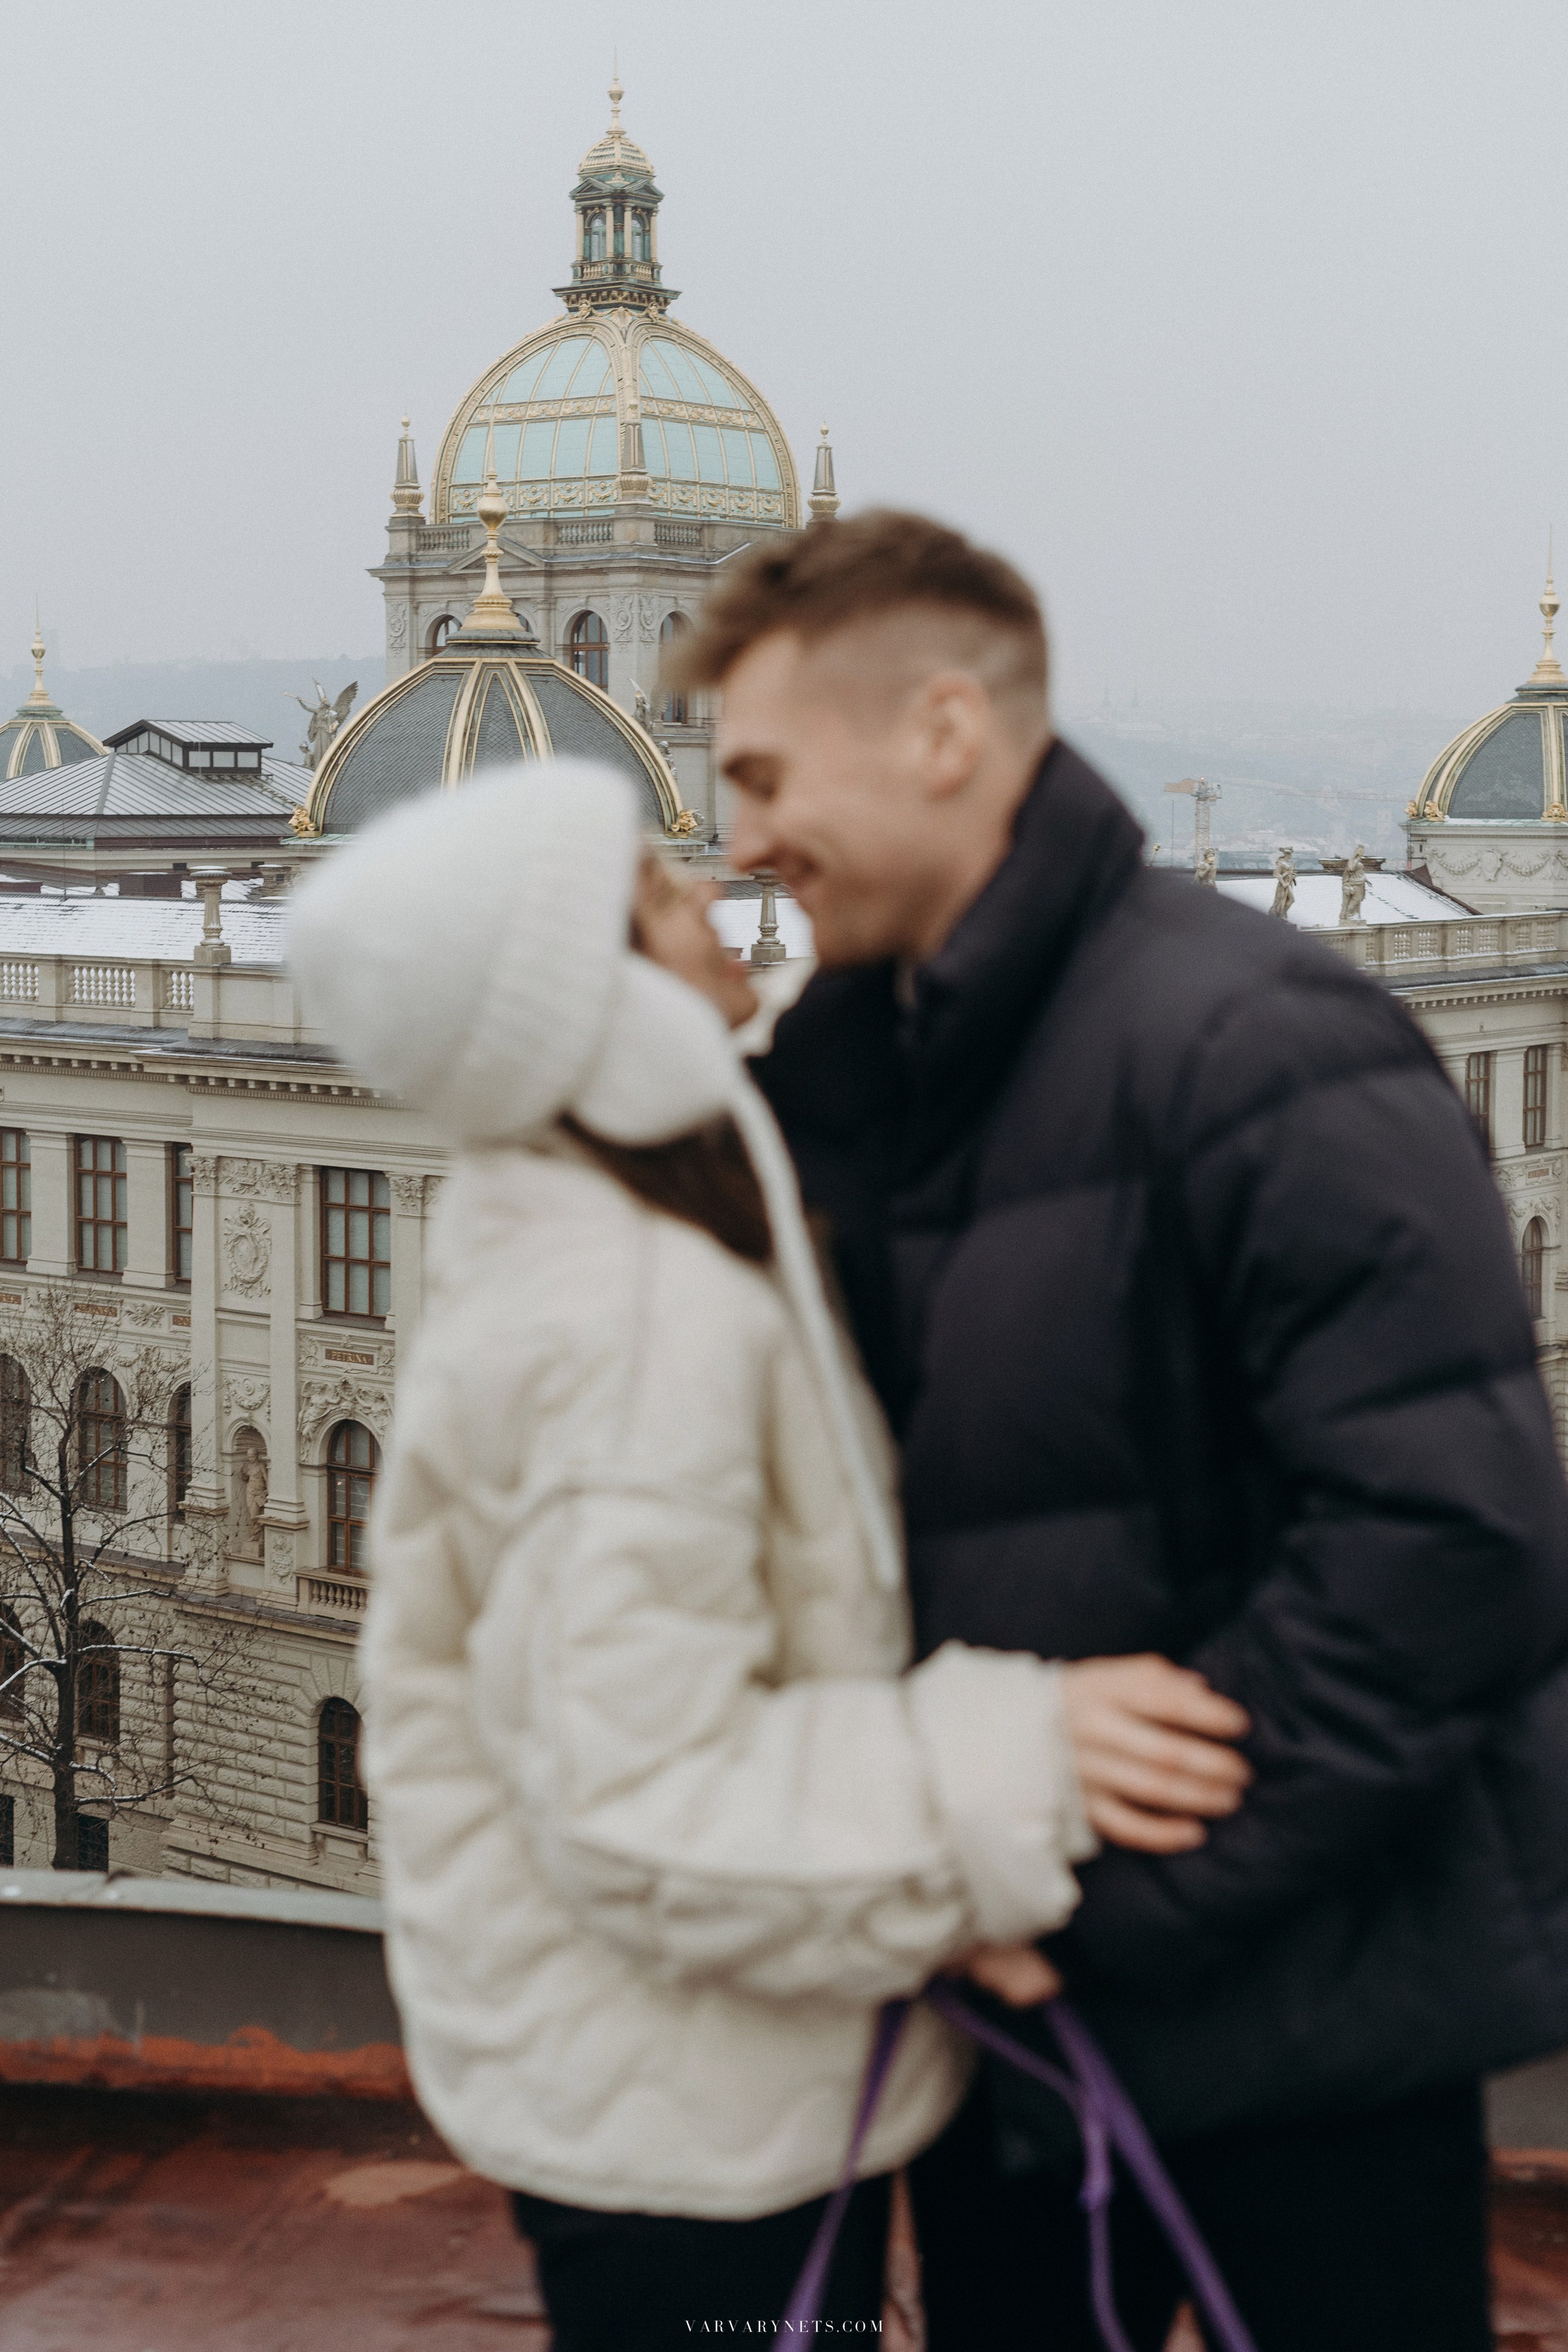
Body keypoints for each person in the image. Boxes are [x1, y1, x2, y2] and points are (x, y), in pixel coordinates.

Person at [663, 508, 1568, 2352]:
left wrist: (1081, 1903)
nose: (737, 839)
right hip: (999, 2051)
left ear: (943, 731)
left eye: (762, 776)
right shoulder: (847, 1084)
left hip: (1302, 2054)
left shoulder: (1266, 1041)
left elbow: (1452, 1547)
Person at [288, 763, 1250, 2352]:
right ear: (589, 996)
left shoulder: (619, 1222)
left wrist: (939, 1906)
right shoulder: (631, 1306)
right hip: (687, 2119)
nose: (710, 896)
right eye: (657, 893)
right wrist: (1014, 1768)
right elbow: (647, 1798)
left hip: (692, 2072)